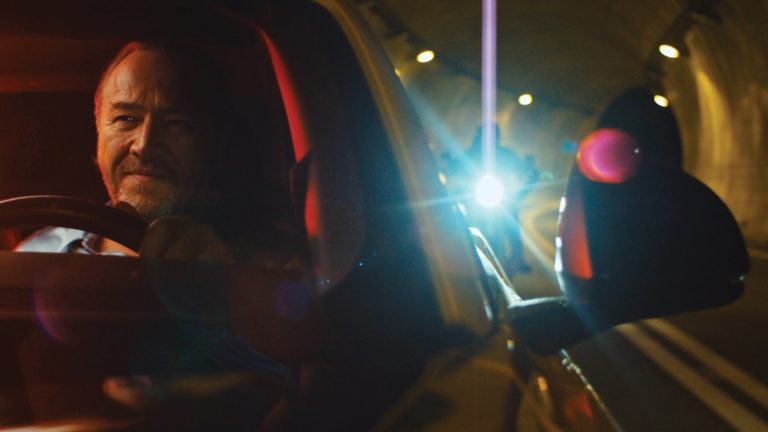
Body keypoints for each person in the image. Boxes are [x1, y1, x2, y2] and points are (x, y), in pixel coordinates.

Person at [14, 40, 302, 426]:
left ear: (215, 144)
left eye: (177, 123)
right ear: (97, 134)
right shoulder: (41, 251)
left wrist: (220, 309)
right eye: (125, 119)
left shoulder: (266, 270)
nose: (145, 145)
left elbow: (305, 389)